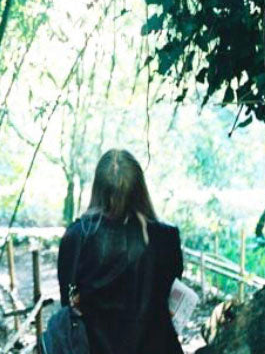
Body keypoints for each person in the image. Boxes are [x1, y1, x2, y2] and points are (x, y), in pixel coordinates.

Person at [57, 149, 184, 354]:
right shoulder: (166, 238)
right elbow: (173, 297)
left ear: (97, 188)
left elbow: (68, 306)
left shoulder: (76, 237)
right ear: (140, 189)